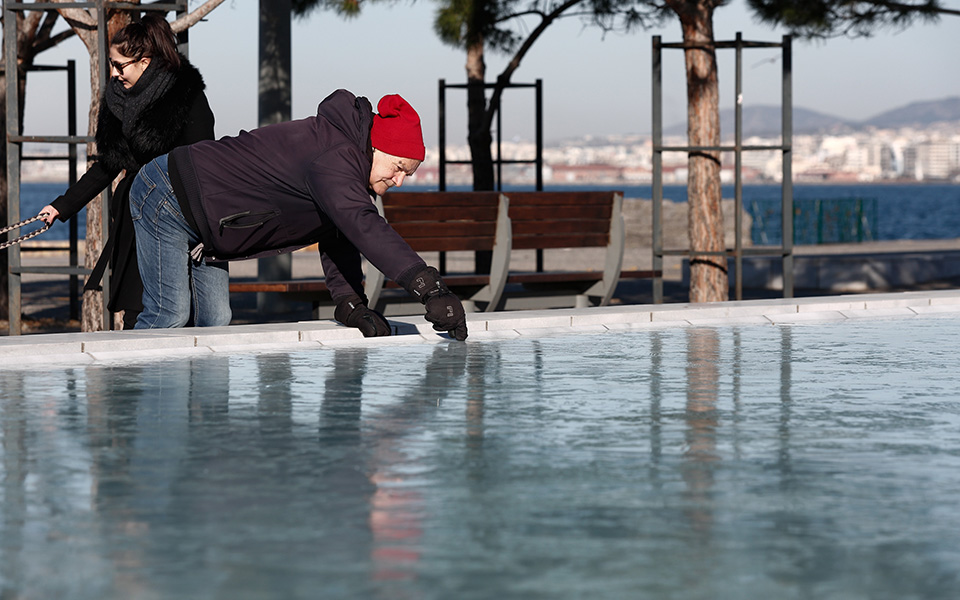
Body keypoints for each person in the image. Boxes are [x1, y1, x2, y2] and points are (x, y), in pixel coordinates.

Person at [129, 89, 468, 340]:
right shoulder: (335, 157)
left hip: (206, 220)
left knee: (216, 319)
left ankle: (198, 424)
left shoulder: (348, 168)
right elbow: (364, 226)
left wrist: (352, 304)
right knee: (169, 314)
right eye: (398, 167)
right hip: (169, 194)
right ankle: (132, 418)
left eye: (407, 174)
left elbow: (341, 235)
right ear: (378, 148)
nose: (399, 180)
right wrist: (430, 288)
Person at [39, 15, 216, 330]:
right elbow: (108, 164)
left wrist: (205, 225)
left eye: (120, 66)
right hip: (136, 216)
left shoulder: (185, 96)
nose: (113, 73)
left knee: (195, 314)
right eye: (110, 63)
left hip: (184, 216)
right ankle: (140, 378)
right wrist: (60, 207)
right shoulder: (116, 100)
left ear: (144, 62)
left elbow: (204, 161)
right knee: (139, 309)